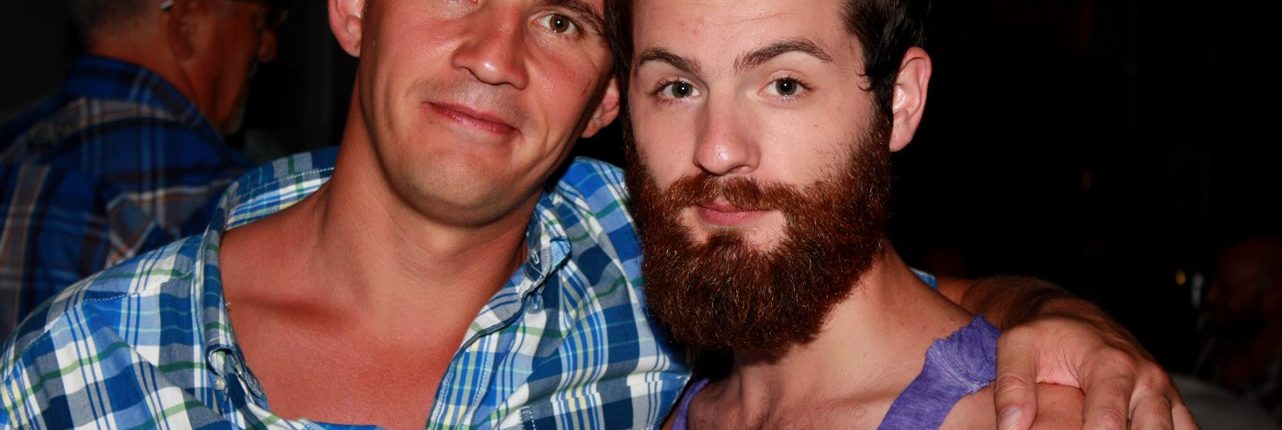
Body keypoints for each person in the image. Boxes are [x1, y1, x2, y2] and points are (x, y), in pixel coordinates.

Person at [1, 0, 1188, 428]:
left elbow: (899, 309)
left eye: (563, 18)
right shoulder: (84, 367)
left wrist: (1062, 325)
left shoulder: (658, 258)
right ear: (352, 8)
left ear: (603, 100)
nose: (495, 54)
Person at [615, 0, 1197, 427]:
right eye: (677, 88)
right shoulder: (665, 397)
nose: (717, 150)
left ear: (900, 101)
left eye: (785, 85)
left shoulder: (1025, 418)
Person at [0, 0, 285, 337]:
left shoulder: (12, 153)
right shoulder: (229, 199)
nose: (268, 48)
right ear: (185, 24)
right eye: (258, 21)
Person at [1195, 236, 1282, 424]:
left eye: (1226, 290)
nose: (1210, 297)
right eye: (1212, 284)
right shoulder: (1206, 345)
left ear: (1272, 297)